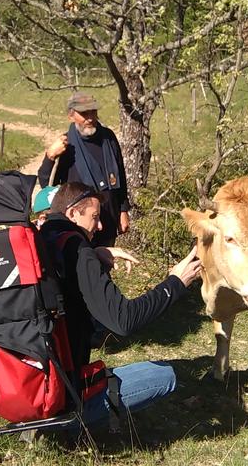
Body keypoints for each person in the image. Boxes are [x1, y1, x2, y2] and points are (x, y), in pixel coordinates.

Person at [38, 181, 203, 429]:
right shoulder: (79, 252)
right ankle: (71, 423)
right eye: (95, 217)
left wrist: (94, 252)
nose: (101, 225)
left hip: (32, 385)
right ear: (72, 213)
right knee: (165, 375)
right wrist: (175, 283)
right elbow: (123, 320)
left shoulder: (41, 238)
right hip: (62, 400)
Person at [38, 92, 130, 248]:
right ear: (71, 116)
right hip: (79, 225)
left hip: (108, 219)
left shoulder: (108, 138)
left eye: (93, 112)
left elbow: (120, 175)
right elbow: (46, 184)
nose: (90, 118)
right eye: (84, 113)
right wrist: (50, 156)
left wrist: (123, 210)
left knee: (105, 266)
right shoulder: (66, 145)